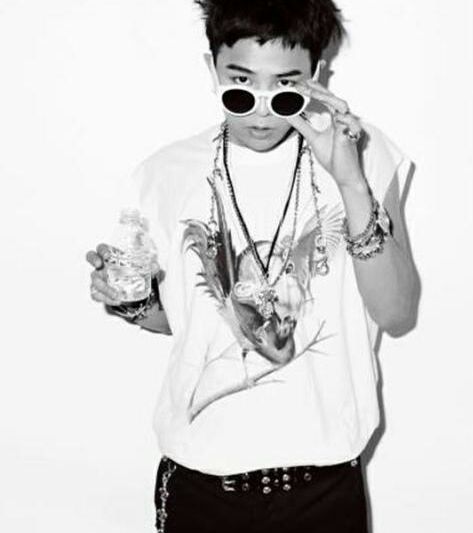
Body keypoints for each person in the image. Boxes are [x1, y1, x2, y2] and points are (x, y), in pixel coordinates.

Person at [86, 1, 418, 531]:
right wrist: (131, 301)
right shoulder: (162, 175)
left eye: (285, 88)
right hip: (201, 481)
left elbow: (396, 312)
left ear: (316, 75)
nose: (261, 111)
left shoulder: (365, 155)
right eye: (240, 85)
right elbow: (183, 321)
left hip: (324, 484)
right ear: (212, 68)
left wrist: (350, 182)